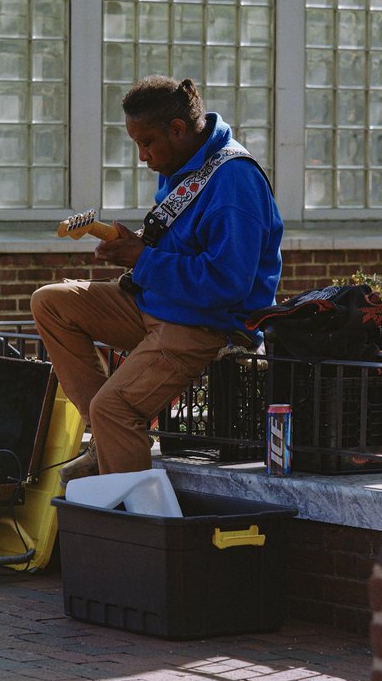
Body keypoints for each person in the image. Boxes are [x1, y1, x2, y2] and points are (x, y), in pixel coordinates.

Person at [31, 75, 283, 482]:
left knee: (115, 408)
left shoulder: (236, 181)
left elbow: (228, 284)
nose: (142, 157)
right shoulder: (185, 164)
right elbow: (178, 250)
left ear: (179, 129)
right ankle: (108, 443)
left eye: (146, 143)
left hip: (207, 323)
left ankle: (130, 526)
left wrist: (144, 260)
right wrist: (135, 247)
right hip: (159, 301)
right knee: (51, 302)